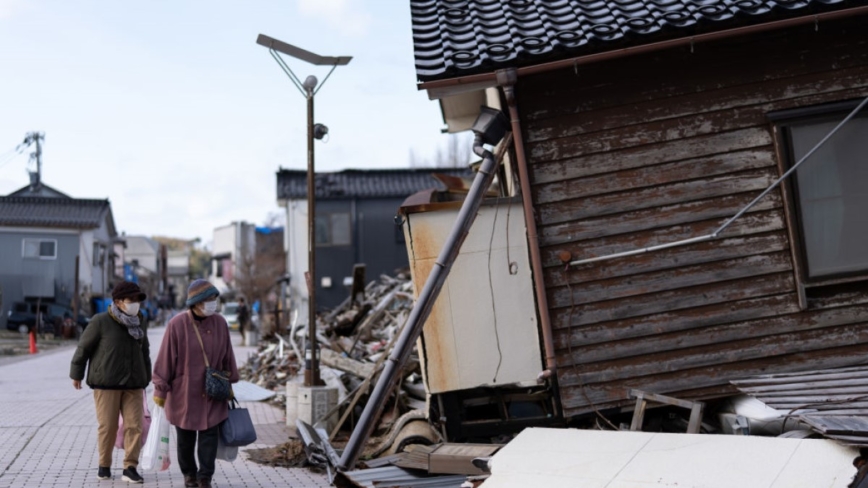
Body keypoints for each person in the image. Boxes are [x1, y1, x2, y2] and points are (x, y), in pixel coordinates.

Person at [152, 280, 239, 488]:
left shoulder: (220, 323)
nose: (212, 304)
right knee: (185, 439)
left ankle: (205, 477)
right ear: (196, 303)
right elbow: (165, 358)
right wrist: (160, 389)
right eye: (208, 300)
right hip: (184, 392)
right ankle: (189, 475)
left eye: (214, 299)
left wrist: (230, 381)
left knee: (209, 437)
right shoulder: (177, 324)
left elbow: (228, 354)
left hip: (213, 392)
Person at [70, 281, 150, 484]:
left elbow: (144, 350)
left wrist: (146, 377)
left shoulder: (140, 320)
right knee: (108, 426)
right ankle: (104, 465)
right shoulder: (101, 321)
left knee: (135, 425)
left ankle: (130, 467)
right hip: (107, 383)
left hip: (134, 383)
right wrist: (76, 373)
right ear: (118, 302)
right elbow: (83, 348)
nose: (135, 304)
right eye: (131, 300)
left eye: (138, 300)